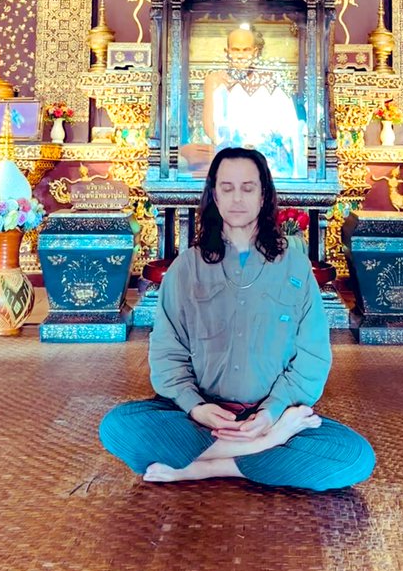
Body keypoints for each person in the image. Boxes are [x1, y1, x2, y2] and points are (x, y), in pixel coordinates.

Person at [99, 148, 376, 490]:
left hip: (270, 414)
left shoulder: (295, 268)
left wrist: (272, 413)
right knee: (118, 427)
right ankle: (262, 449)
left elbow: (312, 357)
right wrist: (196, 407)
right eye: (227, 188)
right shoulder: (186, 268)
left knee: (354, 457)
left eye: (248, 187)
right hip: (200, 420)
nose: (237, 198)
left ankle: (206, 466)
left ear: (264, 196)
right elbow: (166, 355)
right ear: (214, 195)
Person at [201, 25, 305, 179]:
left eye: (246, 50)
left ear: (255, 52)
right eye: (236, 50)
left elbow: (287, 126)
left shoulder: (270, 81)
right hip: (228, 159)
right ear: (227, 52)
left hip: (267, 161)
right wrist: (234, 152)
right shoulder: (215, 80)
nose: (241, 55)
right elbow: (209, 126)